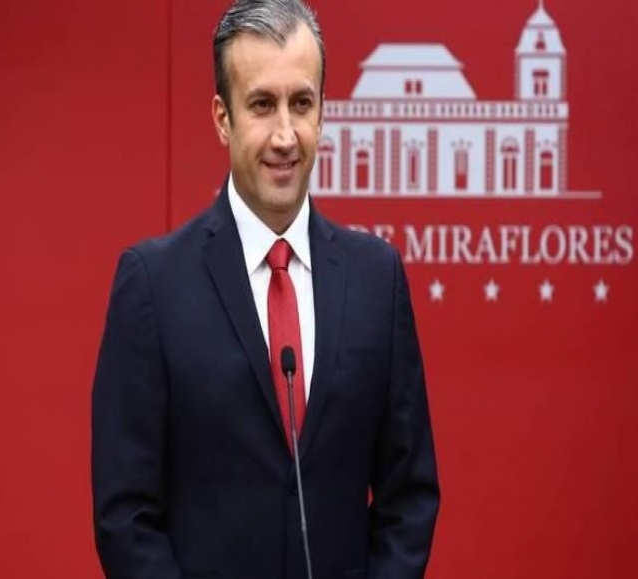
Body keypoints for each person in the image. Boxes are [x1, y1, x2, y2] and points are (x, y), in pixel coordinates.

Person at [91, 1, 439, 578]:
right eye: (261, 105)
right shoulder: (153, 284)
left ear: (322, 112)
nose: (284, 135)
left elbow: (410, 496)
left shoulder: (378, 278)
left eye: (301, 103)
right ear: (222, 118)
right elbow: (126, 515)